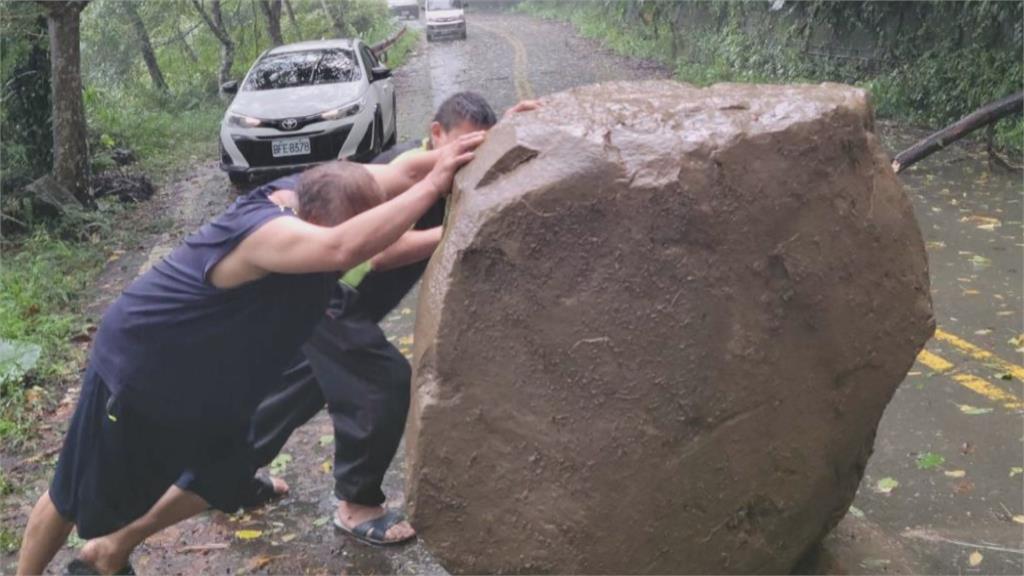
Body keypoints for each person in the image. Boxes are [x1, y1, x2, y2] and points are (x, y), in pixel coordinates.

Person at [15, 133, 484, 576]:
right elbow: (347, 243)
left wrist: (476, 148)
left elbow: (400, 172)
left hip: (209, 382)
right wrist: (438, 192)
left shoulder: (328, 189)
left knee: (226, 473)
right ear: (313, 223)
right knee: (71, 494)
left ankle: (108, 551)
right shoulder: (267, 234)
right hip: (141, 366)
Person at [243, 92, 540, 546]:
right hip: (328, 292)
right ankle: (357, 505)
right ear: (434, 133)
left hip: (336, 297)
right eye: (462, 143)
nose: (467, 154)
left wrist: (513, 130)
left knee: (300, 387)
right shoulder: (402, 168)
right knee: (379, 383)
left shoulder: (457, 162)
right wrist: (456, 229)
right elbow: (380, 255)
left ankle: (222, 476)